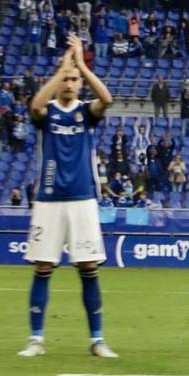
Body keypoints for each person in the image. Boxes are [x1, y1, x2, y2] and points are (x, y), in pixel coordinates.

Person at [19, 38, 117, 359]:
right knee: (43, 266)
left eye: (73, 80)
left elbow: (107, 98)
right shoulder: (47, 113)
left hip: (82, 198)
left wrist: (82, 66)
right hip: (48, 200)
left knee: (88, 267)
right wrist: (62, 68)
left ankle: (97, 339)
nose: (70, 83)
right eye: (67, 79)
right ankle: (35, 339)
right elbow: (34, 106)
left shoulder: (85, 113)